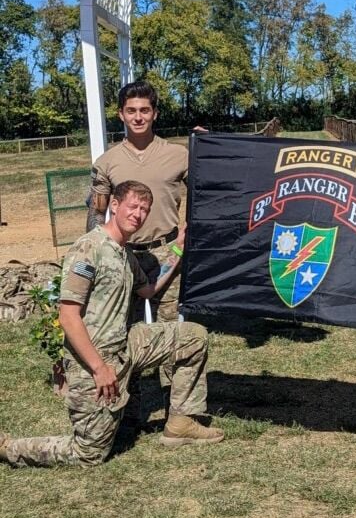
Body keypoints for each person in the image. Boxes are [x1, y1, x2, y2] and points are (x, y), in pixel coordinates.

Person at [0, 181, 223, 468]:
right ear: (115, 206)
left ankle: (180, 423)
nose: (138, 214)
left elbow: (149, 290)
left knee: (193, 336)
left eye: (144, 209)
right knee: (89, 454)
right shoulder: (89, 248)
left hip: (126, 345)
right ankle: (9, 448)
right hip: (92, 361)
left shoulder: (124, 253)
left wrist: (178, 249)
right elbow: (68, 317)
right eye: (133, 206)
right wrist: (99, 368)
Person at [87, 80, 188, 414]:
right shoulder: (107, 162)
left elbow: (209, 189)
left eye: (145, 110)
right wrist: (94, 254)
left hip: (167, 252)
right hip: (123, 255)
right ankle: (129, 407)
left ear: (155, 113)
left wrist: (206, 143)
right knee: (122, 332)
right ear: (121, 114)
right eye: (131, 110)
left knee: (171, 330)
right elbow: (97, 212)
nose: (138, 116)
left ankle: (178, 408)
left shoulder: (180, 155)